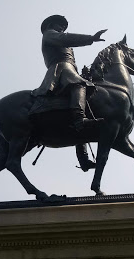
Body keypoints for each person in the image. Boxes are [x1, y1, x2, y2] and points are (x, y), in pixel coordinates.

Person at [32, 15, 107, 171]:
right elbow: (66, 38)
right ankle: (80, 120)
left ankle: (84, 159)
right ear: (52, 25)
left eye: (63, 27)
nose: (62, 29)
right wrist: (91, 38)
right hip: (60, 70)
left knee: (84, 100)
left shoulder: (57, 36)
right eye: (60, 26)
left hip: (69, 70)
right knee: (78, 84)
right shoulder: (50, 34)